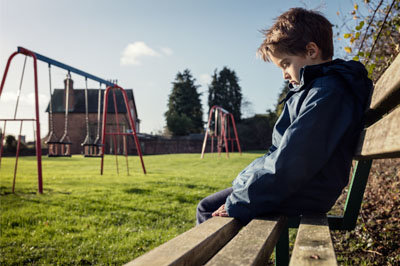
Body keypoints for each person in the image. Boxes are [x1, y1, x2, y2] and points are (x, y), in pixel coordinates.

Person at [196, 7, 372, 225]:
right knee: (209, 206)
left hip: (303, 191)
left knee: (208, 211)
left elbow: (295, 160)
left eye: (286, 63)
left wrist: (238, 201)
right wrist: (245, 182)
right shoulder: (314, 90)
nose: (285, 74)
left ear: (311, 51)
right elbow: (282, 154)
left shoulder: (327, 93)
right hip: (297, 187)